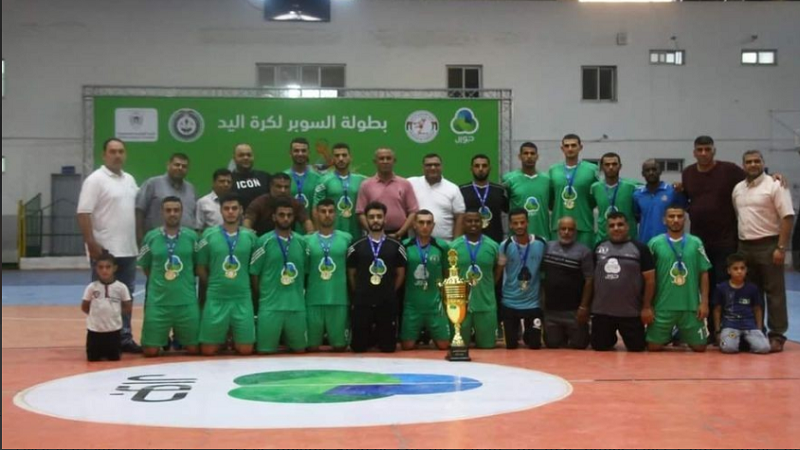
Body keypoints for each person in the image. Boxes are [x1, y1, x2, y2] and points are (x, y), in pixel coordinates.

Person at [77, 137, 141, 353]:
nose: (117, 155)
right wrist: (91, 243)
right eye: (112, 151)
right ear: (104, 155)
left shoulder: (130, 180)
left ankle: (124, 337)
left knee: (125, 298)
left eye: (121, 151)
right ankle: (100, 339)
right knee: (102, 299)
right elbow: (83, 212)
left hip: (128, 250)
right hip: (105, 252)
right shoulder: (95, 180)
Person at [680, 135, 745, 341]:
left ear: (714, 151)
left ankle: (726, 327)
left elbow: (752, 178)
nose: (704, 153)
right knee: (702, 286)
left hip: (725, 240)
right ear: (694, 153)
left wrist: (773, 177)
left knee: (723, 284)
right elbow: (686, 197)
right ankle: (707, 328)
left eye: (707, 149)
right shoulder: (688, 173)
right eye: (700, 150)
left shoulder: (729, 170)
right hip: (699, 241)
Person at [732, 150, 795, 353]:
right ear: (743, 165)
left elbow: (787, 217)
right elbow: (739, 216)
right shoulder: (738, 189)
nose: (753, 165)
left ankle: (777, 334)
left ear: (762, 163)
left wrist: (781, 247)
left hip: (769, 244)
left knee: (774, 293)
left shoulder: (775, 185)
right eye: (749, 162)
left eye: (756, 161)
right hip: (745, 246)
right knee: (751, 292)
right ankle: (755, 331)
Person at [137, 197, 201, 357]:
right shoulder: (150, 237)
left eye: (176, 210)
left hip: (186, 301)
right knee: (150, 352)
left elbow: (198, 266)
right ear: (162, 212)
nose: (172, 214)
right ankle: (162, 338)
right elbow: (146, 267)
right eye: (168, 210)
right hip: (159, 302)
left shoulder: (192, 237)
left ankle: (176, 339)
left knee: (195, 349)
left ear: (181, 212)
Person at [196, 194, 258, 356]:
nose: (230, 212)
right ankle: (222, 339)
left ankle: (231, 339)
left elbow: (255, 269)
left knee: (246, 350)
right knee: (208, 350)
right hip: (216, 297)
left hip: (242, 297)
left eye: (234, 208)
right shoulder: (208, 235)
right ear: (221, 210)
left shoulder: (251, 237)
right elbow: (200, 267)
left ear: (241, 210)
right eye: (227, 208)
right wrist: (213, 284)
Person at [646, 205, 712, 353]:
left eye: (679, 216)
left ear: (685, 220)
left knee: (700, 347)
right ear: (664, 220)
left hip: (690, 307)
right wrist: (648, 305)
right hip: (662, 307)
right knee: (653, 347)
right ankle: (670, 333)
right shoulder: (654, 243)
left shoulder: (696, 243)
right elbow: (648, 277)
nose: (675, 220)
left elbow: (704, 273)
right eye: (671, 216)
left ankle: (679, 332)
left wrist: (704, 303)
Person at [250, 198, 309, 354]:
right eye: (281, 215)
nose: (285, 218)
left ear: (293, 217)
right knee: (265, 352)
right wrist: (263, 295)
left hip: (296, 307)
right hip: (270, 307)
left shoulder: (302, 242)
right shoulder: (263, 242)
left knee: (300, 351)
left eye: (289, 215)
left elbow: (306, 271)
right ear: (274, 217)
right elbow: (254, 274)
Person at [347, 201, 407, 353]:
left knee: (388, 348)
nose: (375, 220)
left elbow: (400, 274)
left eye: (379, 216)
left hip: (386, 302)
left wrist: (390, 291)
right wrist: (360, 292)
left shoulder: (396, 246)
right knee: (358, 348)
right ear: (366, 219)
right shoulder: (355, 246)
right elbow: (351, 274)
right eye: (372, 217)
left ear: (385, 219)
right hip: (363, 302)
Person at [590, 213, 655, 352]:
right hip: (602, 312)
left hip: (631, 313)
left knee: (637, 348)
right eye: (612, 225)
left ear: (627, 226)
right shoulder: (599, 247)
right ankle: (609, 336)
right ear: (607, 229)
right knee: (599, 347)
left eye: (620, 224)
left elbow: (650, 280)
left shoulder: (640, 248)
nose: (616, 228)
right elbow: (591, 278)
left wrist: (646, 307)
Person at [305, 199, 353, 352]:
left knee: (340, 347)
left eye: (331, 211)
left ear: (336, 214)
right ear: (316, 214)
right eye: (323, 211)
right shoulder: (306, 241)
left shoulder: (347, 238)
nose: (327, 215)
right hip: (313, 300)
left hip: (339, 300)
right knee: (311, 347)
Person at [450, 209, 501, 349]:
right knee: (459, 348)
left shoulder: (494, 246)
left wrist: (488, 286)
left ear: (482, 223)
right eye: (469, 221)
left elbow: (498, 271)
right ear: (463, 223)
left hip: (486, 304)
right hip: (461, 306)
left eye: (476, 221)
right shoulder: (453, 247)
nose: (473, 224)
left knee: (487, 347)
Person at [401, 210, 451, 351]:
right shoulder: (404, 246)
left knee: (444, 346)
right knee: (407, 346)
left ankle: (430, 334)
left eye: (428, 223)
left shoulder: (442, 246)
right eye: (421, 222)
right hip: (412, 306)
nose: (425, 226)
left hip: (435, 305)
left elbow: (447, 274)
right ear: (414, 225)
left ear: (433, 225)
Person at [497, 209, 547, 350]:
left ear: (528, 222)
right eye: (515, 223)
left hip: (532, 303)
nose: (519, 226)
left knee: (535, 345)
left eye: (522, 222)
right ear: (510, 225)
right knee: (511, 345)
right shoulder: (505, 245)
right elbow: (499, 272)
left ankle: (529, 334)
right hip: (510, 302)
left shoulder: (541, 243)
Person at [541, 217, 593, 350]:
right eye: (563, 229)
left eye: (570, 229)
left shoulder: (584, 252)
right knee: (552, 344)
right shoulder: (547, 248)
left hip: (574, 311)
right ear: (557, 230)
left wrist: (584, 307)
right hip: (551, 311)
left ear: (575, 232)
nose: (566, 232)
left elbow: (589, 280)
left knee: (579, 345)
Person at [712, 253, 770, 354]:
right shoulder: (721, 288)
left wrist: (759, 329)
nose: (739, 271)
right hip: (731, 326)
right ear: (729, 270)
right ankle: (731, 340)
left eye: (742, 268)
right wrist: (717, 331)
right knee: (727, 347)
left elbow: (757, 309)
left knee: (764, 348)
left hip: (750, 326)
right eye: (735, 269)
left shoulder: (752, 288)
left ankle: (747, 341)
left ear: (746, 270)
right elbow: (717, 310)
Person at [549, 134, 599, 248]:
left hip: (584, 225)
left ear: (580, 147)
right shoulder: (553, 170)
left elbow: (595, 197)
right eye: (567, 146)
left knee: (584, 257)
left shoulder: (591, 169)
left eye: (573, 145)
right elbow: (551, 199)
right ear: (562, 148)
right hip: (559, 225)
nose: (570, 149)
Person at [356, 148, 419, 239]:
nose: (385, 161)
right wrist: (373, 233)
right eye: (381, 158)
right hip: (374, 234)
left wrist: (399, 233)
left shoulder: (405, 184)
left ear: (394, 161)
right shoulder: (366, 185)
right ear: (375, 162)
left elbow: (413, 212)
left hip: (400, 235)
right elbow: (360, 213)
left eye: (388, 158)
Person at [81, 252, 132, 362]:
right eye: (101, 267)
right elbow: (84, 306)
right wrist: (96, 315)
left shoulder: (121, 287)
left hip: (114, 331)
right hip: (94, 331)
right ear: (96, 269)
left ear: (115, 268)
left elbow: (128, 307)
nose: (104, 270)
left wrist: (115, 314)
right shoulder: (91, 287)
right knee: (93, 359)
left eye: (108, 267)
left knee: (114, 358)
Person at [136, 153, 197, 244]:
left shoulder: (191, 189)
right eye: (177, 165)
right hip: (156, 243)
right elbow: (139, 212)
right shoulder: (153, 184)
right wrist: (141, 242)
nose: (180, 168)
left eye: (184, 166)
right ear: (168, 165)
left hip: (185, 244)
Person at [312, 143, 367, 236]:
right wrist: (319, 235)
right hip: (333, 237)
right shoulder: (323, 181)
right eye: (337, 156)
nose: (341, 158)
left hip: (357, 235)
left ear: (350, 157)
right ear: (333, 159)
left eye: (344, 155)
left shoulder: (362, 181)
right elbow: (316, 209)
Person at [408, 154, 466, 240]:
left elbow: (460, 216)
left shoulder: (453, 188)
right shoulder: (411, 183)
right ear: (423, 167)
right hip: (415, 244)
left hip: (445, 243)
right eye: (429, 165)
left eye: (436, 165)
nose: (433, 168)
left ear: (441, 166)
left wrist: (456, 242)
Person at [503, 142, 551, 240]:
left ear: (537, 157)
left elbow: (551, 204)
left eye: (532, 153)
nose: (529, 156)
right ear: (519, 156)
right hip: (517, 239)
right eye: (526, 153)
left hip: (542, 236)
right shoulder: (509, 179)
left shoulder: (547, 180)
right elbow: (505, 206)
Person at [633, 159, 687, 245]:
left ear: (660, 171)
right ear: (643, 173)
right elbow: (637, 217)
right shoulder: (637, 194)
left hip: (667, 243)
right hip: (645, 242)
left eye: (654, 169)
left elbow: (682, 212)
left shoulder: (672, 191)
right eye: (647, 170)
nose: (651, 172)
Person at [459, 154, 509, 244]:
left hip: (495, 241)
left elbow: (509, 210)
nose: (481, 169)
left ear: (489, 168)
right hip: (468, 242)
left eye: (484, 166)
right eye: (477, 166)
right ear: (471, 169)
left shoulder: (499, 190)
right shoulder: (462, 190)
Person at [244, 173, 314, 236]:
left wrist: (311, 236)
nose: (283, 190)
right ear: (271, 187)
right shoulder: (259, 203)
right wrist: (248, 233)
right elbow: (248, 220)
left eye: (286, 187)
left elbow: (306, 221)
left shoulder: (295, 203)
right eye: (279, 187)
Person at [591, 152, 637, 245]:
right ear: (602, 167)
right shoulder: (595, 187)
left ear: (620, 166)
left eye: (614, 164)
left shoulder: (632, 187)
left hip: (627, 239)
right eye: (607, 164)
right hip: (603, 238)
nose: (611, 167)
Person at [285, 137, 322, 220]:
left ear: (309, 153)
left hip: (313, 226)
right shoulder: (283, 178)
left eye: (303, 151)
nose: (300, 154)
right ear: (290, 153)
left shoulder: (319, 178)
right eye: (296, 151)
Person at [231, 143, 271, 210]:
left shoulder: (265, 177)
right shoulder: (228, 180)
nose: (246, 158)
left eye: (249, 155)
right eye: (241, 155)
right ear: (234, 158)